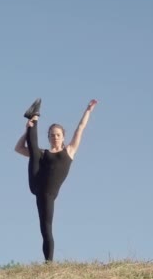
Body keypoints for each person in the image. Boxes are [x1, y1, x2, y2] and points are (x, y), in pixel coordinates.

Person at [14, 98, 97, 262]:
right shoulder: (43, 154)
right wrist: (26, 132)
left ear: (63, 137)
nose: (55, 137)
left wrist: (88, 111)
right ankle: (33, 121)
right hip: (36, 180)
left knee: (46, 229)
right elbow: (18, 149)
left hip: (46, 194)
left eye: (58, 135)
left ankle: (48, 263)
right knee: (35, 151)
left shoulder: (69, 151)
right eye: (52, 135)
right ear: (49, 137)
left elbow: (80, 128)